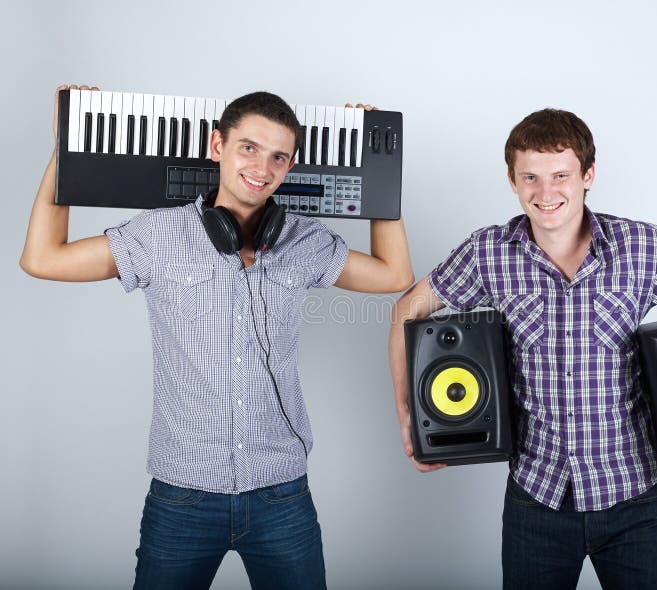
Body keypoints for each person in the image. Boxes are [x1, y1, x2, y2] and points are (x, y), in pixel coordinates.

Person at [21, 84, 414, 590]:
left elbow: (394, 272)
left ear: (290, 167)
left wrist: (377, 172)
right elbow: (42, 258)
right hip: (182, 495)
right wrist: (66, 148)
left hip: (281, 493)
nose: (262, 167)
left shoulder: (305, 241)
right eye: (248, 147)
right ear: (217, 147)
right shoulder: (157, 237)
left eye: (278, 157)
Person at [389, 108, 657, 589]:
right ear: (512, 180)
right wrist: (408, 416)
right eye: (530, 176)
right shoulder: (487, 252)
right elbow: (407, 309)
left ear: (587, 175)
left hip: (635, 499)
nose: (545, 192)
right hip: (537, 499)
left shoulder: (642, 246)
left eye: (560, 175)